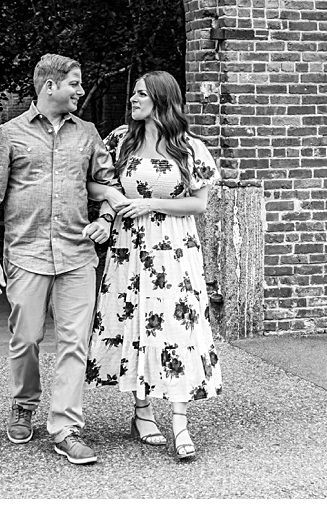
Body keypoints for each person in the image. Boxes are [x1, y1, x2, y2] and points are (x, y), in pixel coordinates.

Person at [0, 53, 117, 466]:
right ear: (49, 86)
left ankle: (66, 428)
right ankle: (24, 402)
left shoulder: (88, 133)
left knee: (75, 342)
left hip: (77, 254)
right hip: (26, 254)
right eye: (74, 83)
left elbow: (107, 185)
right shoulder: (9, 134)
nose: (80, 90)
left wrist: (105, 220)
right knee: (27, 339)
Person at [85, 70, 223, 462]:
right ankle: (142, 414)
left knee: (177, 328)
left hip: (174, 250)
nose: (133, 99)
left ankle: (180, 423)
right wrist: (112, 195)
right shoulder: (120, 141)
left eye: (141, 94)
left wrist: (150, 204)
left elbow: (198, 204)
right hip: (129, 249)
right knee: (135, 324)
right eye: (133, 94)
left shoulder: (189, 148)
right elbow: (94, 183)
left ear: (161, 99)